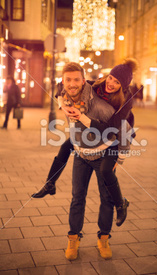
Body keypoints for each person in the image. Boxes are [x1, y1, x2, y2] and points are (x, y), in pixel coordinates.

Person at [32, 60, 137, 260]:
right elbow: (63, 87)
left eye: (75, 80)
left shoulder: (105, 104)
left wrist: (121, 156)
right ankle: (73, 238)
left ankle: (104, 238)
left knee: (106, 199)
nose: (111, 83)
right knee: (77, 198)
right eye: (111, 78)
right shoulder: (74, 92)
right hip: (81, 154)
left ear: (82, 82)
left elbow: (121, 129)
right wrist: (63, 105)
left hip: (105, 151)